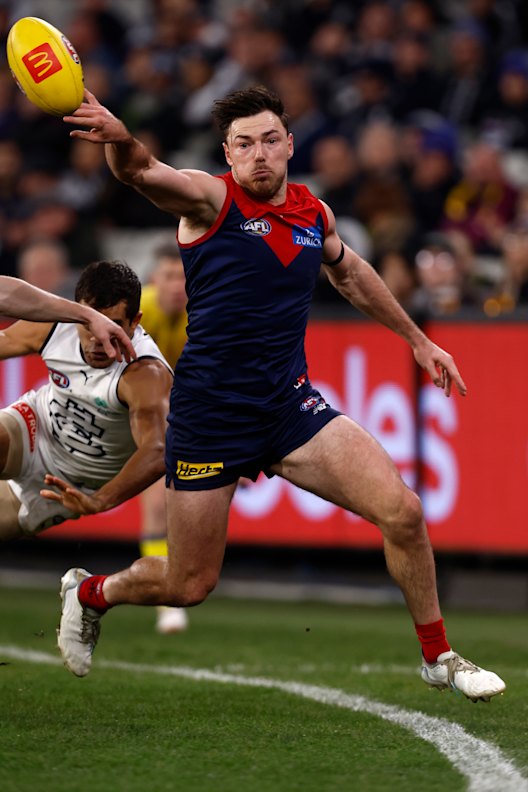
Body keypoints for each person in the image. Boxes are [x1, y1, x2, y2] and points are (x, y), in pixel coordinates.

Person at [56, 86, 506, 702]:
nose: (259, 154)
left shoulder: (312, 214)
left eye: (270, 140)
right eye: (245, 144)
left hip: (290, 410)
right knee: (189, 585)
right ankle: (88, 592)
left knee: (402, 511)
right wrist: (119, 138)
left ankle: (439, 657)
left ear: (290, 144)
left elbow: (348, 273)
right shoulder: (209, 199)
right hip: (211, 420)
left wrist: (417, 340)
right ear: (228, 152)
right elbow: (139, 170)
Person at [0, 261, 172, 551]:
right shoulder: (57, 325)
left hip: (71, 484)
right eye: (88, 324)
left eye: (114, 326)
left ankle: (78, 591)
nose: (99, 340)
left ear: (135, 321)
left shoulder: (144, 374)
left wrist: (101, 500)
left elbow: (157, 450)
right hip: (35, 429)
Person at [138, 244, 189, 634]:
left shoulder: (201, 317)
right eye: (169, 277)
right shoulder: (139, 312)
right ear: (155, 281)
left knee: (165, 506)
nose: (177, 286)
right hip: (126, 407)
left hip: (170, 412)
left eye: (183, 277)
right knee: (158, 502)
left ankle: (166, 598)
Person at [0, 274, 134, 363]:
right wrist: (88, 316)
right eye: (86, 326)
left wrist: (88, 316)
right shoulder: (52, 331)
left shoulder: (144, 369)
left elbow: (6, 294)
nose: (98, 337)